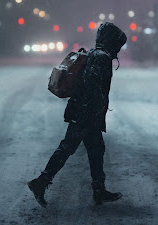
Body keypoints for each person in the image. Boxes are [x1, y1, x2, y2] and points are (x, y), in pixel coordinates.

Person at [28, 22, 127, 207]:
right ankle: (41, 182)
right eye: (117, 44)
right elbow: (93, 87)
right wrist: (95, 113)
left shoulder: (95, 53)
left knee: (95, 150)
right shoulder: (101, 57)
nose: (118, 49)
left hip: (84, 111)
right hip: (86, 113)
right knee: (67, 148)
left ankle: (99, 190)